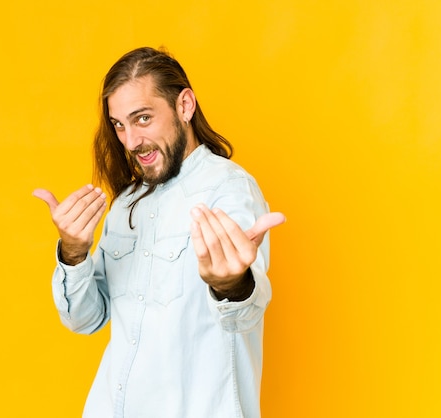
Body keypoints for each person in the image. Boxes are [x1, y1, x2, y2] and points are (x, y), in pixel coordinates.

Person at [34, 46, 285, 418]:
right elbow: (85, 319)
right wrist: (73, 252)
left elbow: (243, 317)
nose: (131, 141)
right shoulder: (126, 204)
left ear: (185, 106)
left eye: (143, 118)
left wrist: (231, 284)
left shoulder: (229, 189)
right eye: (119, 125)